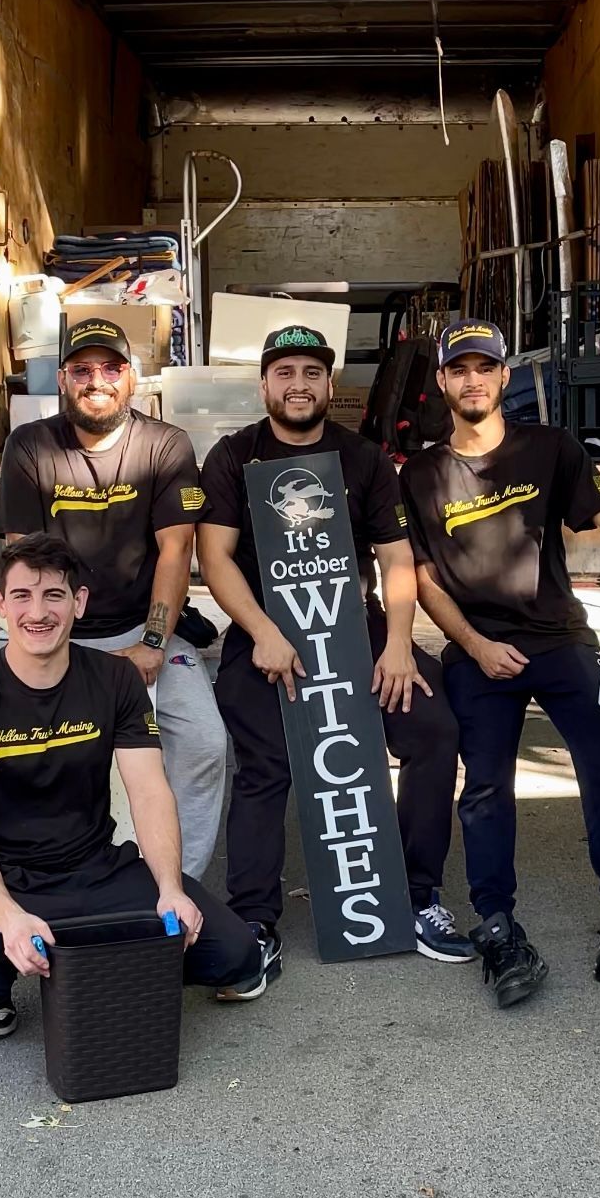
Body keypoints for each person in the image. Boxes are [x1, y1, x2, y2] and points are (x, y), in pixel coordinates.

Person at [400, 319, 600, 1010]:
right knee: (486, 789)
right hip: (479, 648)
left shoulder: (550, 449)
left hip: (559, 640)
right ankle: (497, 926)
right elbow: (423, 579)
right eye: (459, 369)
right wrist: (474, 645)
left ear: (502, 378)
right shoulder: (424, 474)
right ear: (443, 381)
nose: (472, 380)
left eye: (484, 368)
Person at [196, 322, 467, 999]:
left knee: (433, 731)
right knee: (266, 764)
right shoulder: (234, 456)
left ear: (329, 385)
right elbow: (215, 558)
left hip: (358, 628)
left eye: (311, 373)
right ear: (264, 384)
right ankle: (255, 922)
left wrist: (400, 644)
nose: (298, 385)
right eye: (284, 373)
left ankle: (418, 894)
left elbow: (396, 557)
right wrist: (259, 630)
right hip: (265, 635)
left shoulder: (364, 459)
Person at [0, 534, 259, 1036]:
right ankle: (17, 962)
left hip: (99, 870)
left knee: (236, 955)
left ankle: (100, 959)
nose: (38, 612)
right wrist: (8, 917)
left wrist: (169, 889)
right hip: (9, 878)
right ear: (0, 605)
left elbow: (149, 791)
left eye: (54, 595)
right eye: (22, 596)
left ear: (78, 603)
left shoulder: (116, 681)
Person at [0, 315, 227, 883]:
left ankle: (180, 886)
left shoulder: (165, 444)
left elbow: (176, 553)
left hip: (143, 630)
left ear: (132, 378)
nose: (95, 380)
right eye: (81, 369)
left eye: (110, 368)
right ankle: (50, 884)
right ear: (62, 379)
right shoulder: (30, 444)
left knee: (205, 743)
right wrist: (50, 645)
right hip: (58, 632)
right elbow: (24, 561)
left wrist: (153, 643)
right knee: (41, 759)